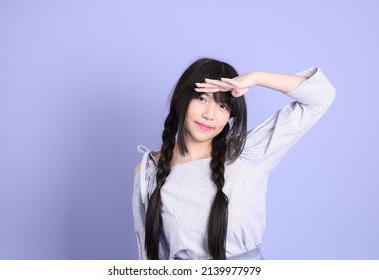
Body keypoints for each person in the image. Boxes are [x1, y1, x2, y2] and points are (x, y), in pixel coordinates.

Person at [132, 58, 336, 260]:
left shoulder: (246, 154)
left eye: (222, 106)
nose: (209, 115)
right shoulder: (149, 171)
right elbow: (151, 256)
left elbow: (320, 96)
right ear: (181, 99)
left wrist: (257, 77)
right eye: (202, 98)